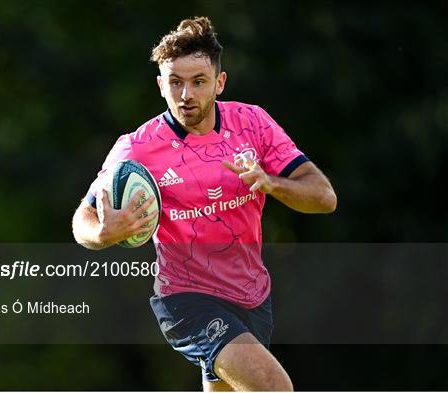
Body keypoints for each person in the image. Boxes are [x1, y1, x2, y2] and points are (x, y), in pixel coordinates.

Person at [72, 16, 336, 391]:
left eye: (198, 82)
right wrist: (101, 232)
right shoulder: (137, 148)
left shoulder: (253, 124)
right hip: (186, 299)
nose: (186, 95)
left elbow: (324, 198)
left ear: (219, 82)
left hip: (252, 294)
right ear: (161, 84)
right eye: (175, 82)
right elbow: (83, 216)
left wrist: (271, 183)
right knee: (273, 386)